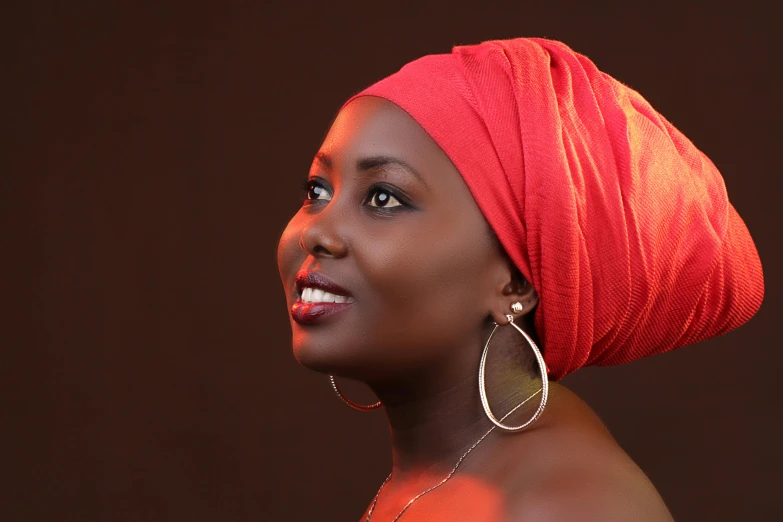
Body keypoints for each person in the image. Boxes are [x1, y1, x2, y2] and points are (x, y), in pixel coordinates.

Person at [276, 37, 764, 521]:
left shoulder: (561, 508)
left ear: (517, 281)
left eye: (384, 198)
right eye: (318, 190)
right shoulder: (446, 471)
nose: (315, 231)